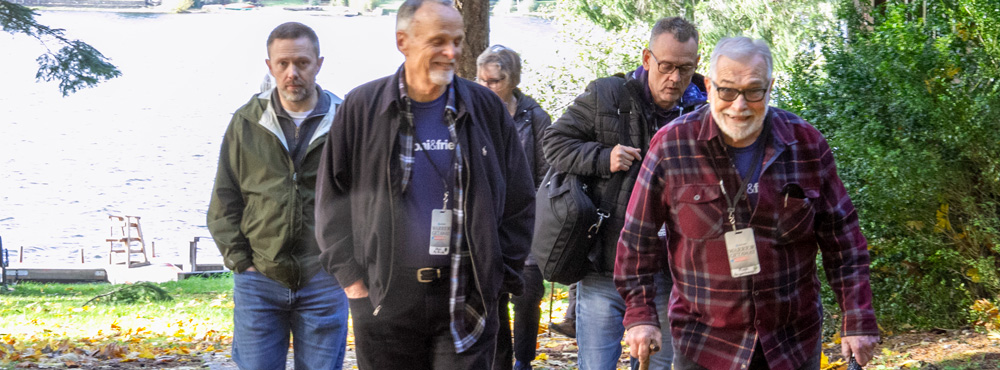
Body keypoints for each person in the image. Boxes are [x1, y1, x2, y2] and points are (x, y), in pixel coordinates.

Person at [615, 36, 880, 370]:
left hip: (791, 344)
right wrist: (640, 315)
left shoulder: (806, 144)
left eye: (754, 91)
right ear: (709, 86)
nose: (739, 106)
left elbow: (844, 242)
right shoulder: (672, 146)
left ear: (770, 87)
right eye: (727, 90)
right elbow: (637, 238)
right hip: (704, 343)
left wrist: (857, 319)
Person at [313, 1, 536, 369]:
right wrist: (353, 283)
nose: (452, 53)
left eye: (458, 41)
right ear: (403, 40)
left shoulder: (485, 108)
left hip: (468, 294)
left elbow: (519, 198)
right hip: (384, 298)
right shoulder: (362, 107)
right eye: (438, 41)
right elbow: (330, 200)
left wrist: (499, 275)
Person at [542, 16, 707, 370]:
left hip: (670, 269)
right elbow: (553, 143)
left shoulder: (705, 109)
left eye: (685, 68)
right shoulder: (607, 94)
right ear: (647, 59)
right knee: (597, 364)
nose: (675, 78)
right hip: (606, 262)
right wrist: (604, 157)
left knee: (661, 366)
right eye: (666, 66)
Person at [207, 22, 349, 370]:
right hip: (259, 279)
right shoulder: (247, 122)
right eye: (283, 64)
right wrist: (242, 262)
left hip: (324, 279)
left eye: (302, 62)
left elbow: (367, 199)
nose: (292, 73)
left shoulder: (346, 120)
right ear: (269, 66)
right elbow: (224, 199)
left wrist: (346, 261)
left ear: (319, 63)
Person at [476, 44, 552, 370]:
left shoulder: (534, 117)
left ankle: (524, 360)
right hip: (483, 222)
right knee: (491, 298)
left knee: (527, 294)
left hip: (525, 220)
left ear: (512, 81)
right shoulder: (472, 113)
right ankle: (500, 364)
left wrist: (523, 212)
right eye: (482, 80)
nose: (486, 87)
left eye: (494, 81)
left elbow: (546, 175)